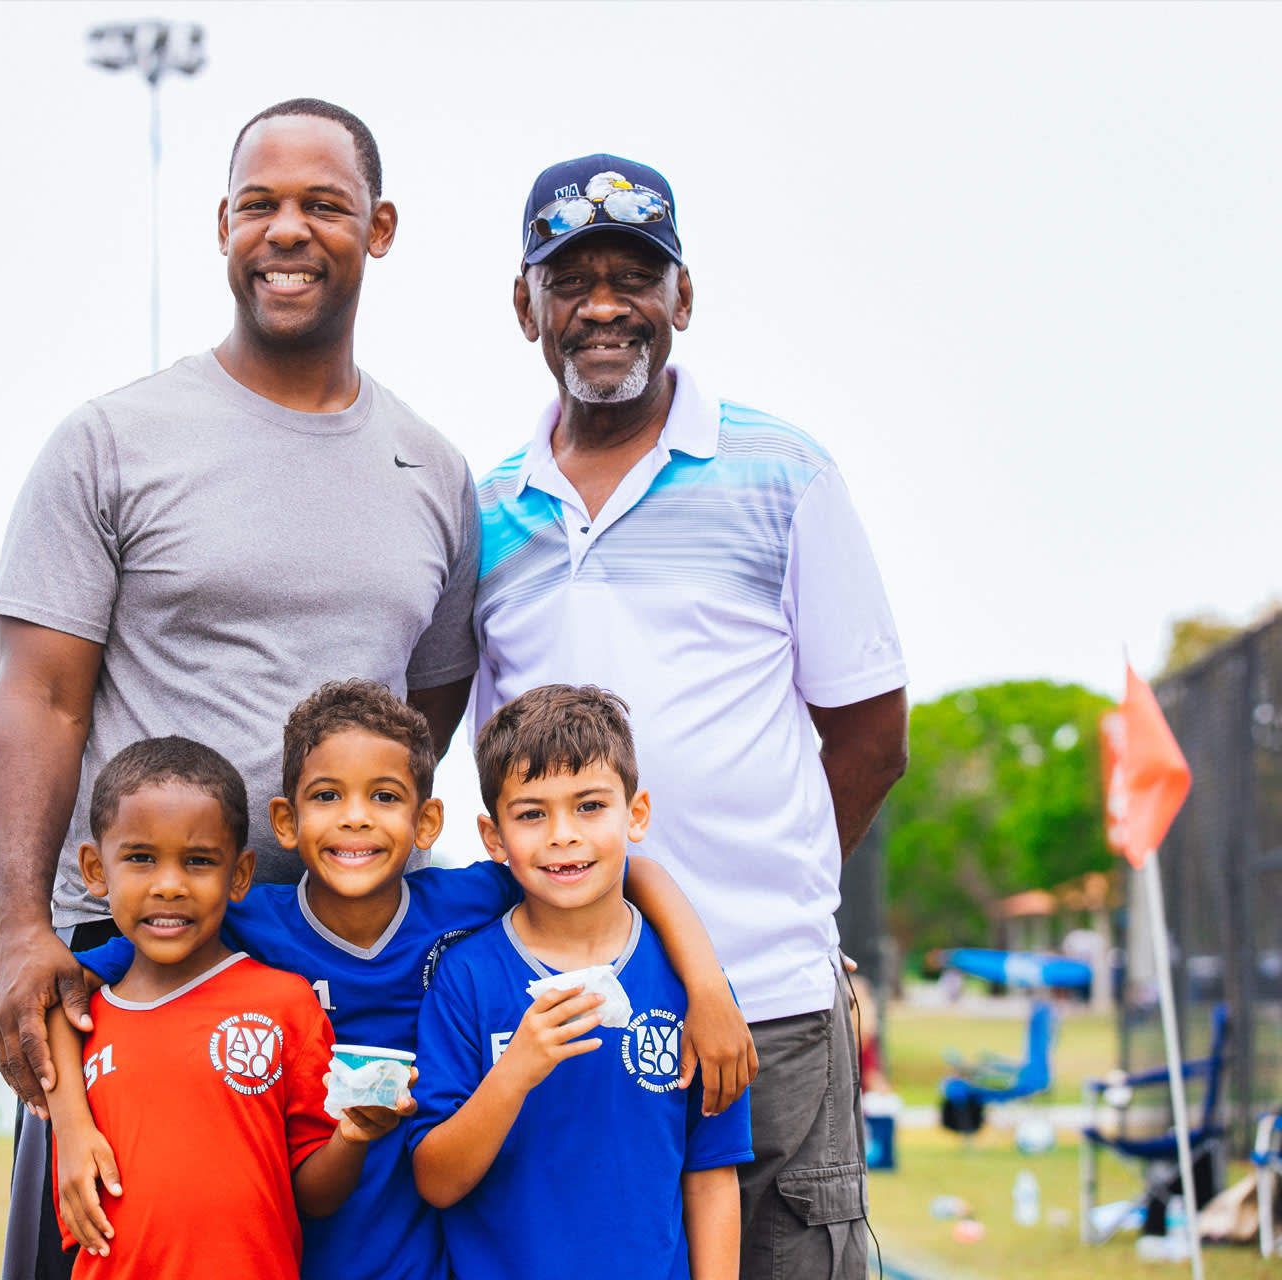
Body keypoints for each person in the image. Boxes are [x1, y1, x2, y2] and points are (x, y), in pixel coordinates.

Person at [0, 97, 480, 1279]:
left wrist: (344, 853)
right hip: (147, 952)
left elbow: (427, 715)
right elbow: (40, 698)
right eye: (259, 203)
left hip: (340, 956)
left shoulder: (437, 471)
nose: (288, 230)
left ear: (383, 227)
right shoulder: (115, 439)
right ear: (222, 225)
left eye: (324, 204)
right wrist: (20, 929)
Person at [472, 153, 910, 1278]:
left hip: (764, 1010)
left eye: (637, 274)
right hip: (562, 1015)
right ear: (527, 303)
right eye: (571, 279)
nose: (606, 304)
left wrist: (768, 912)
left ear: (684, 298)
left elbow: (869, 738)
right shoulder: (485, 511)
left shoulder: (786, 472)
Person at [55, 678, 752, 1280]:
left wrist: (708, 987)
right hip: (297, 1246)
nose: (356, 817)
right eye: (328, 795)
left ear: (425, 822)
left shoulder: (467, 907)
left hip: (427, 1252)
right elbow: (66, 996)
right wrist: (73, 1127)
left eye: (384, 797)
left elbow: (627, 872)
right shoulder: (240, 918)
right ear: (286, 823)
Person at [410, 685, 752, 1279]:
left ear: (636, 813)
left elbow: (712, 1172)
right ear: (494, 838)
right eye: (532, 813)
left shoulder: (694, 987)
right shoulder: (465, 978)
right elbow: (436, 1182)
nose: (562, 833)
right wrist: (514, 1072)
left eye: (589, 805)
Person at [41, 736, 401, 1278]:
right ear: (95, 869)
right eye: (140, 858)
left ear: (239, 875)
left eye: (198, 861)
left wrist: (352, 1137)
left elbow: (316, 1196)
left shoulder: (283, 1003)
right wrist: (69, 1130)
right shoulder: (78, 1020)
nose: (169, 886)